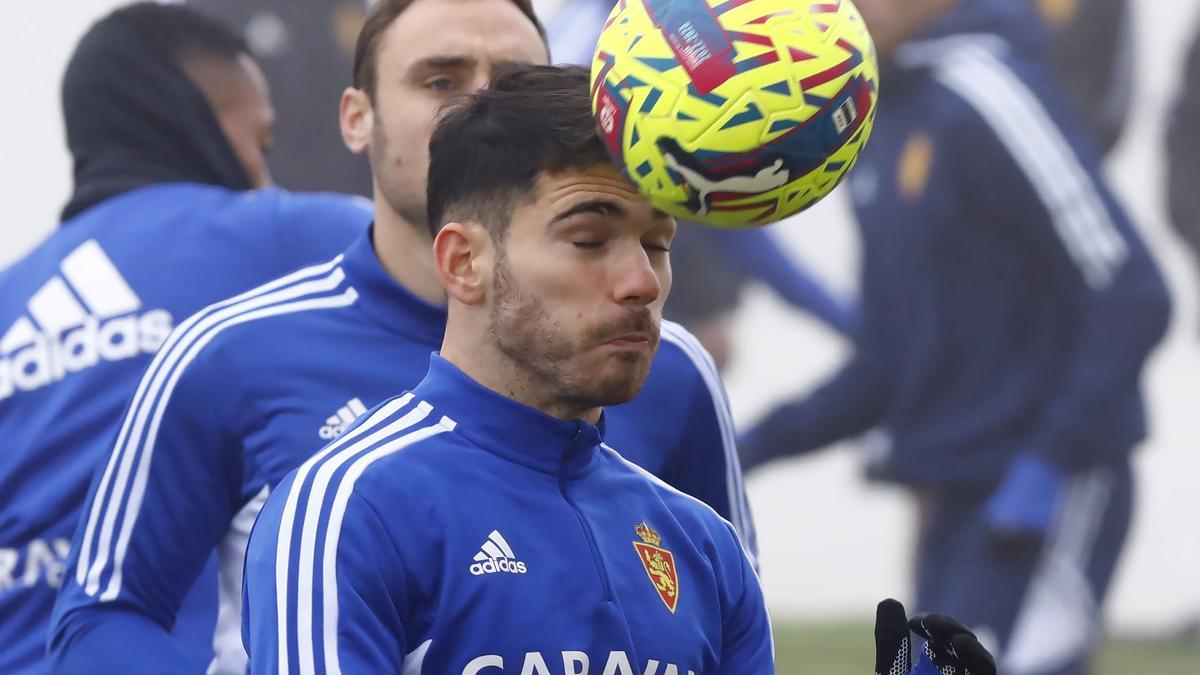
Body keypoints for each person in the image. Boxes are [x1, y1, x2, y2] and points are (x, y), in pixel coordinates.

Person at [50, 1, 755, 672]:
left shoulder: (670, 366)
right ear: (359, 118)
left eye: (511, 84)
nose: (476, 105)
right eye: (441, 79)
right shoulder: (231, 352)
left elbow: (719, 605)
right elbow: (107, 613)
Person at [240, 61, 995, 675]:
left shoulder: (702, 543)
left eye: (658, 243)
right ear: (464, 262)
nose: (641, 281)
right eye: (589, 238)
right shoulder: (350, 512)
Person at [740, 1, 1170, 673]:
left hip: (1048, 491)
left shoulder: (988, 90)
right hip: (955, 497)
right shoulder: (872, 124)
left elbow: (1133, 290)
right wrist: (748, 446)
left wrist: (1049, 463)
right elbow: (887, 362)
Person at [0, 4, 371, 674]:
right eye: (259, 143)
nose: (265, 174)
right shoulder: (283, 235)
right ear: (192, 118)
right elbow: (475, 263)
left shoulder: (8, 298)